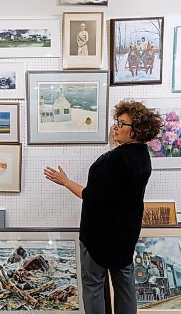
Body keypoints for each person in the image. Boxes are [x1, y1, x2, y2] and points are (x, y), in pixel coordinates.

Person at [43, 100, 161, 314]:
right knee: (125, 285)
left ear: (136, 131)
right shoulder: (142, 156)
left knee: (93, 285)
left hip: (99, 234)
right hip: (125, 233)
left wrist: (65, 181)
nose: (115, 127)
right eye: (117, 121)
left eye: (122, 124)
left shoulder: (116, 159)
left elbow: (93, 198)